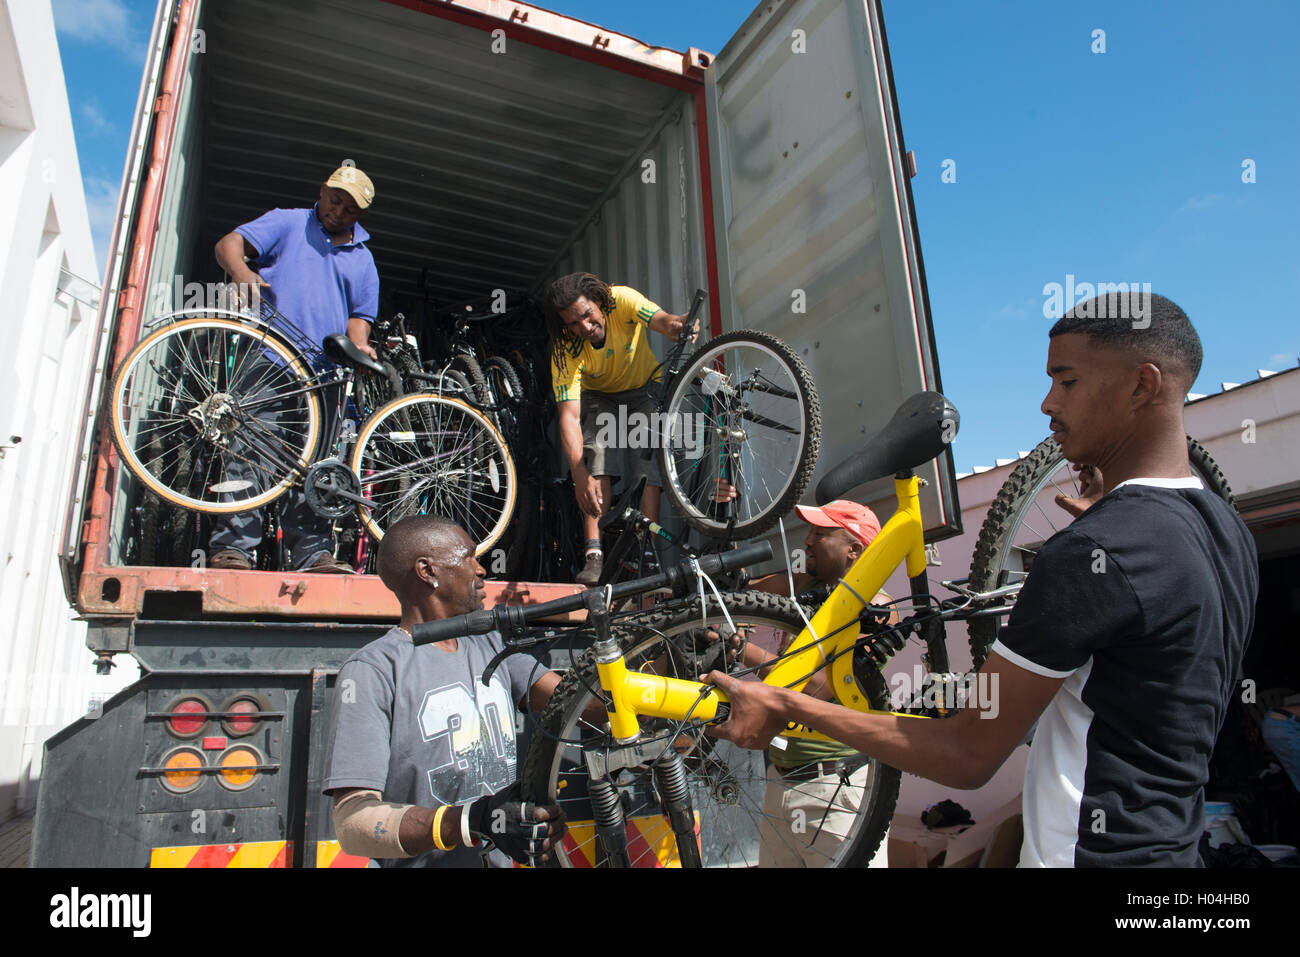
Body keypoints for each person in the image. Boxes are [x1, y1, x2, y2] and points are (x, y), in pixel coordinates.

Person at [704, 292, 1259, 867]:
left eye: (1066, 381)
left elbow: (966, 753)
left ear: (1143, 385)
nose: (1047, 402)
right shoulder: (1227, 534)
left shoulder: (1097, 550)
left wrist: (785, 706)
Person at [321, 515, 570, 867]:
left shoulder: (491, 646)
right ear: (428, 571)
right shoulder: (373, 670)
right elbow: (353, 823)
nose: (481, 569)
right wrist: (468, 821)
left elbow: (581, 703)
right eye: (468, 556)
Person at [208, 165, 380, 574]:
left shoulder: (365, 259)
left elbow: (360, 317)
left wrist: (359, 347)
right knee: (248, 450)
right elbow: (228, 244)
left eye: (350, 208)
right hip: (269, 359)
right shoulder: (287, 222)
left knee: (317, 465)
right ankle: (235, 548)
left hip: (324, 375)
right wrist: (242, 271)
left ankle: (313, 554)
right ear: (322, 191)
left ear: (360, 214)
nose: (338, 211)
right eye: (334, 199)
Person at [716, 496, 897, 867]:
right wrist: (721, 514)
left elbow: (813, 688)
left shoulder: (879, 609)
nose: (807, 542)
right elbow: (739, 593)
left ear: (854, 549)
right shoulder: (806, 586)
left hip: (838, 793)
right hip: (781, 784)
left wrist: (738, 647)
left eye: (820, 533)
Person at [545, 272, 693, 584]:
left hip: (643, 390)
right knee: (596, 459)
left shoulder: (622, 299)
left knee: (647, 469)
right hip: (599, 397)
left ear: (599, 302)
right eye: (573, 323)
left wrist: (676, 326)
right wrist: (578, 474)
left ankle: (644, 551)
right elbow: (569, 417)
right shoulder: (564, 350)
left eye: (587, 316)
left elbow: (662, 320)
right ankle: (594, 554)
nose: (584, 328)